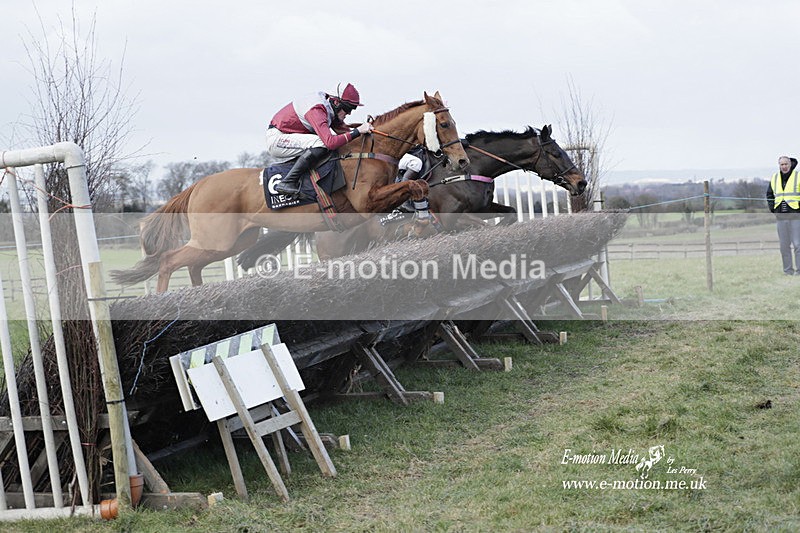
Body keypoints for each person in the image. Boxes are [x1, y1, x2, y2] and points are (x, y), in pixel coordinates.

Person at [265, 83, 373, 199]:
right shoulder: (317, 109)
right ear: (336, 102)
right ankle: (288, 182)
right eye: (348, 109)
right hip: (278, 139)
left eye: (353, 109)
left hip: (290, 135)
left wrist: (367, 130)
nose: (349, 113)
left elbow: (345, 134)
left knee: (326, 142)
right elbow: (330, 142)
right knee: (321, 143)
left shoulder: (330, 108)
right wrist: (357, 131)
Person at [766, 155, 800, 275]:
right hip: (781, 217)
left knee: (798, 245)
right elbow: (769, 195)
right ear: (779, 165)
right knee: (784, 246)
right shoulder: (774, 178)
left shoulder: (798, 176)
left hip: (796, 216)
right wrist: (773, 209)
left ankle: (799, 271)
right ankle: (788, 271)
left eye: (786, 164)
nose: (784, 166)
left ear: (790, 165)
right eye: (782, 164)